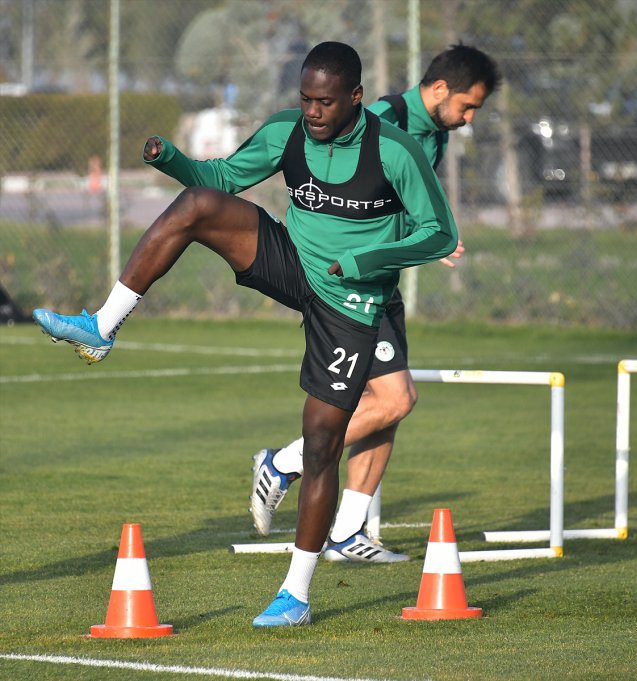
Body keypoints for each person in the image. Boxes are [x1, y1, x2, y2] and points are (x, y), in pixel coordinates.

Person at [33, 42, 458, 627]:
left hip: (351, 301)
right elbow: (223, 177)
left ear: (356, 98)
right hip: (293, 261)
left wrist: (365, 262)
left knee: (321, 445)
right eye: (305, 99)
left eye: (326, 102)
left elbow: (439, 234)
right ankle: (102, 326)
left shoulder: (396, 151)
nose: (313, 111)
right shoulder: (288, 131)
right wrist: (171, 159)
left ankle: (295, 595)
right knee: (198, 204)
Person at [249, 44, 501, 564]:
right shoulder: (383, 120)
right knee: (396, 398)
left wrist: (426, 237)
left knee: (387, 412)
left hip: (383, 283)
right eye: (468, 106)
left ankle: (347, 533)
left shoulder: (434, 134)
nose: (469, 118)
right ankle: (282, 464)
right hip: (350, 285)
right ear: (439, 90)